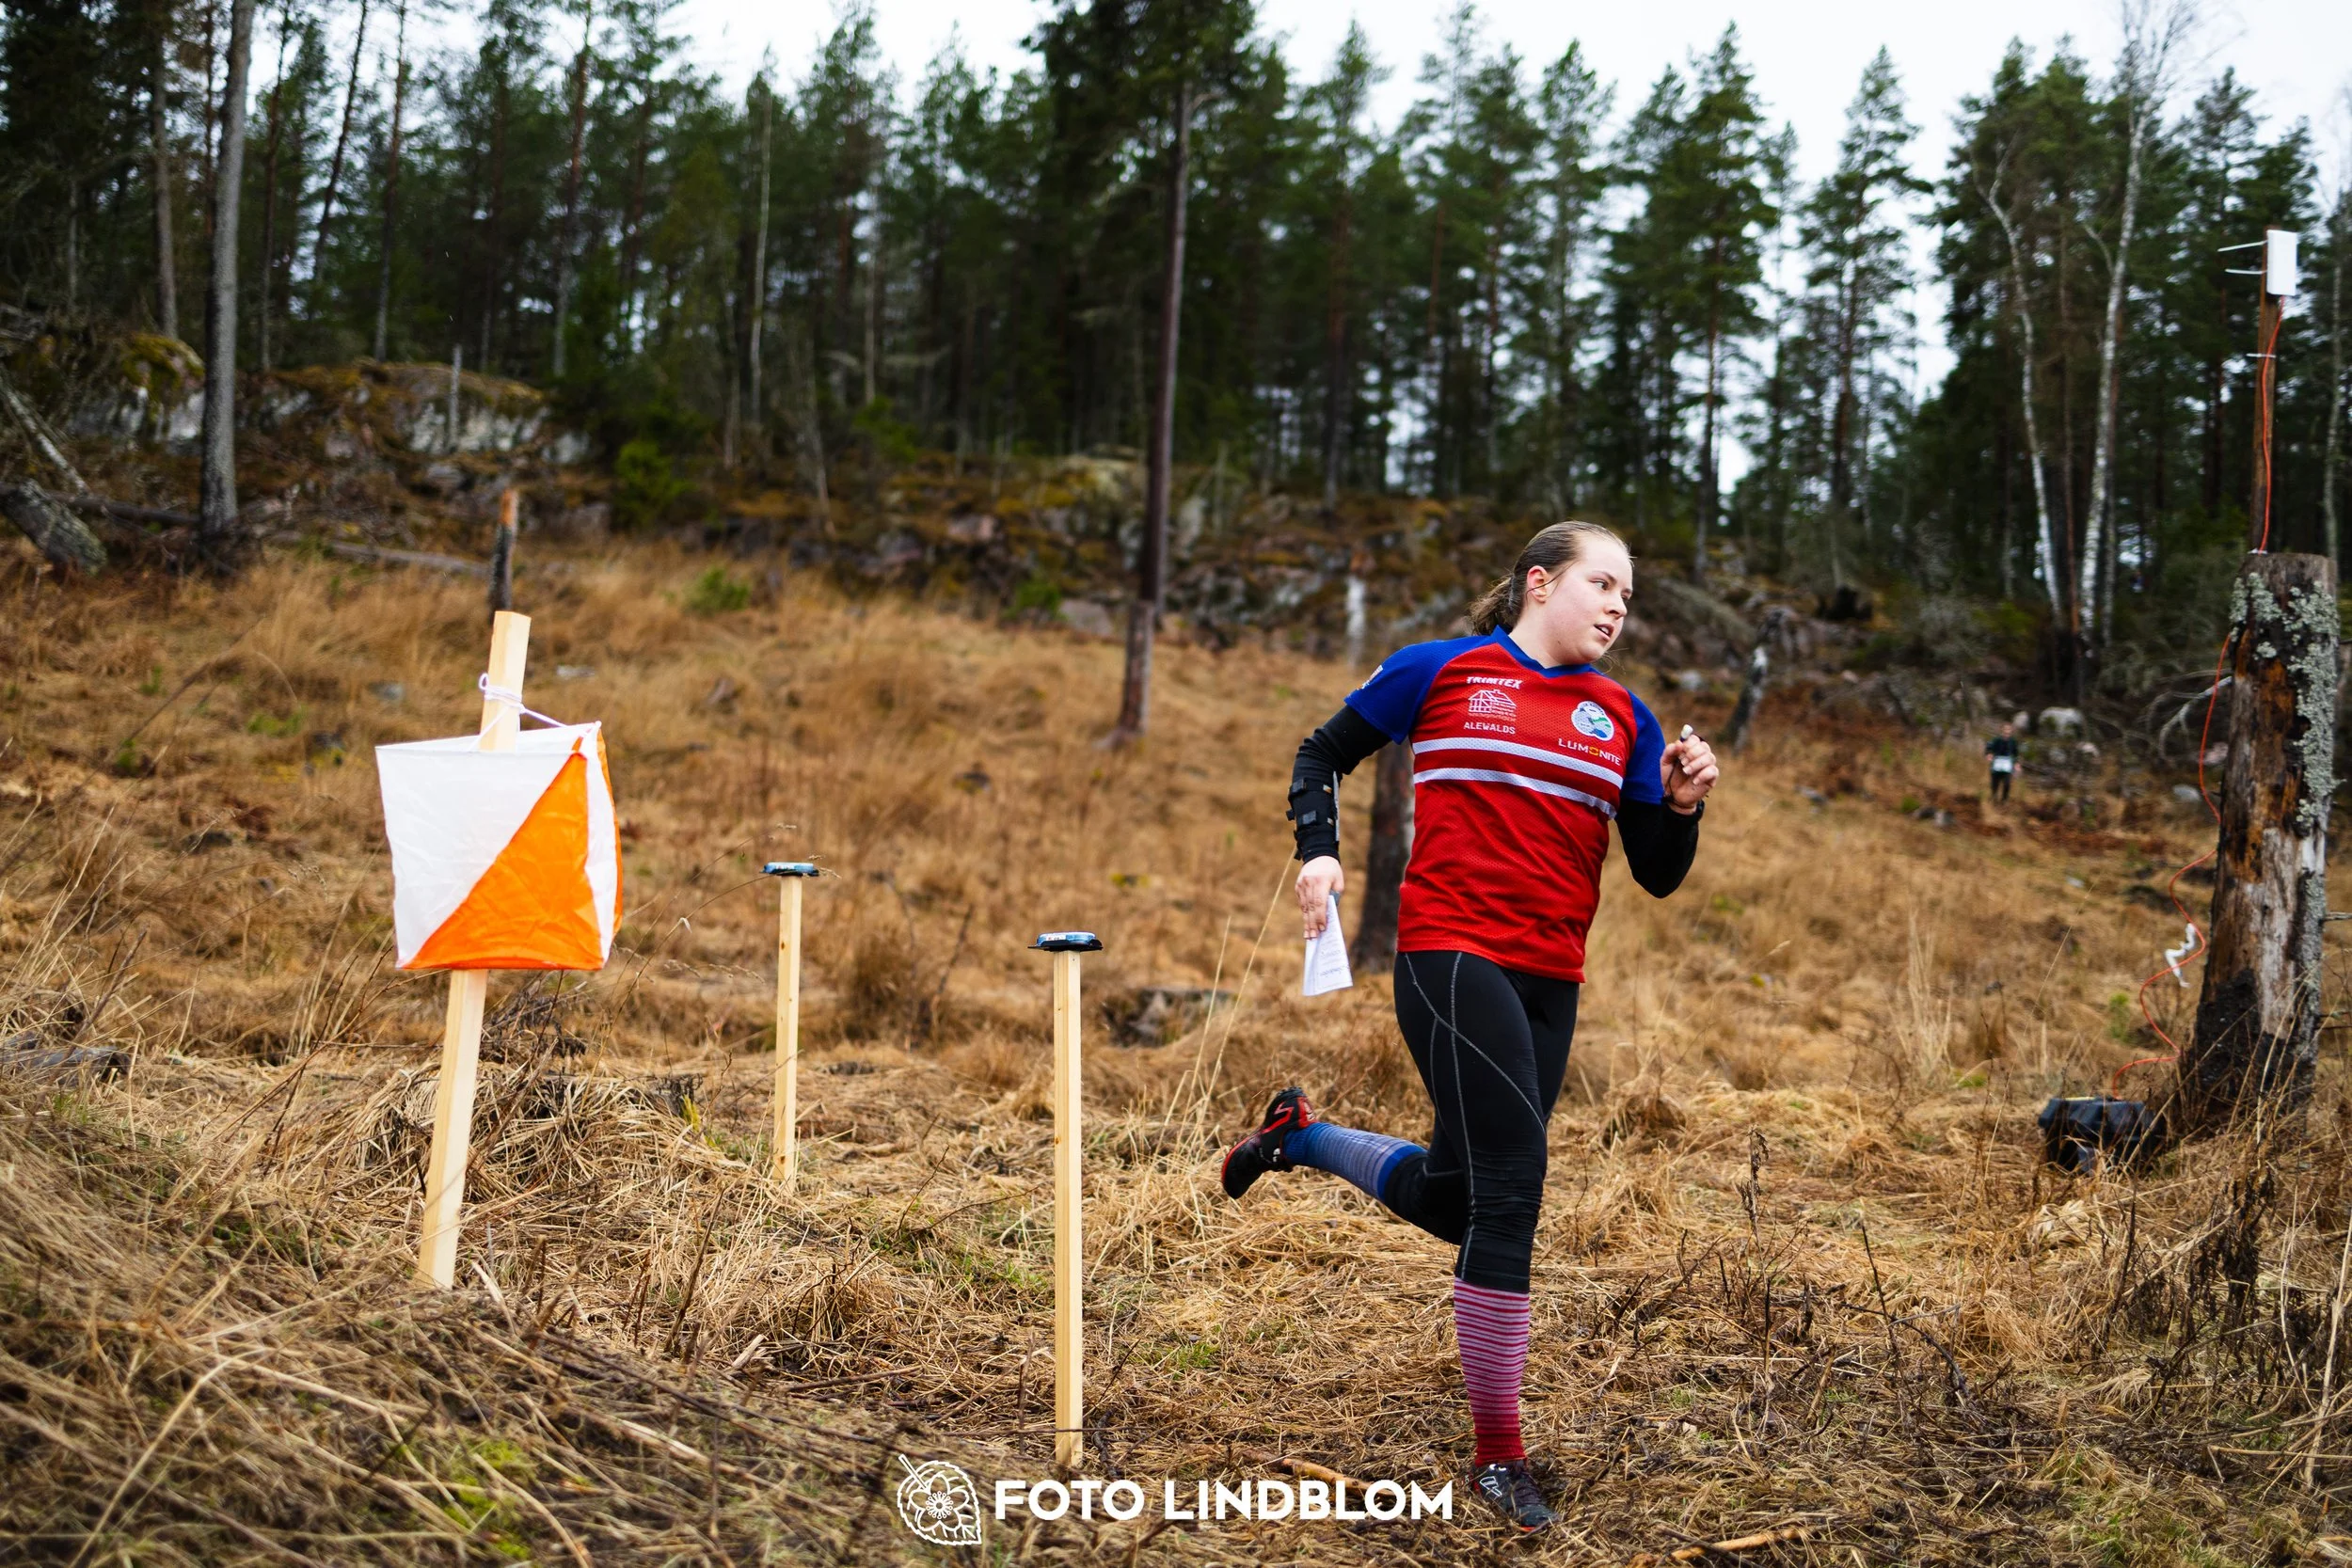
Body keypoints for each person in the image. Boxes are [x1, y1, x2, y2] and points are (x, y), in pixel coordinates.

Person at [1219, 521, 1719, 1533]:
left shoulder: (1624, 715)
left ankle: (1300, 1135)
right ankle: (1499, 1457)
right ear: (1540, 582)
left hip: (1551, 979)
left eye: (1628, 594)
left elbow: (1658, 873)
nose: (1618, 606)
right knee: (1515, 1187)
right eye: (1602, 583)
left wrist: (1678, 806)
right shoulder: (1440, 671)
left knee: (1460, 1202)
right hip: (1448, 954)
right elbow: (1321, 753)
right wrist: (1319, 852)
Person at [1984, 721, 2019, 804]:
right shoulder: (1996, 740)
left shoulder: (2013, 742)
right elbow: (1989, 747)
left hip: (2007, 766)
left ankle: (2004, 801)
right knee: (1995, 784)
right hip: (1997, 764)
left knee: (2007, 784)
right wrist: (1989, 754)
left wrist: (2016, 763)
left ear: (2011, 731)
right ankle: (1994, 800)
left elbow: (2015, 753)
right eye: (2005, 729)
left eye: (2009, 729)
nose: (2007, 731)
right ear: (2002, 730)